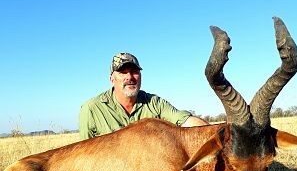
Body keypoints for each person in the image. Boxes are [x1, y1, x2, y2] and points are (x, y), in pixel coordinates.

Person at [79, 52, 208, 140]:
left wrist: (216, 134)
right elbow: (84, 154)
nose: (129, 77)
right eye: (123, 72)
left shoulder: (155, 103)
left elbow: (185, 121)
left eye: (134, 72)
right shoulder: (91, 109)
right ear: (112, 79)